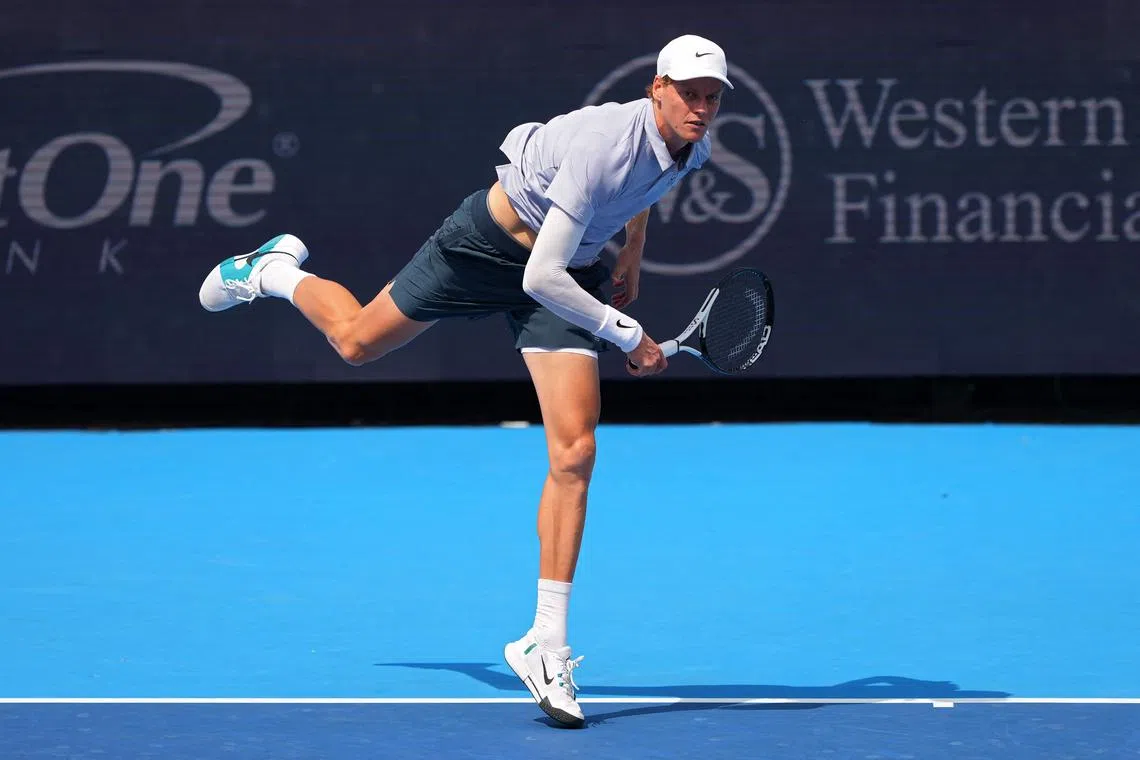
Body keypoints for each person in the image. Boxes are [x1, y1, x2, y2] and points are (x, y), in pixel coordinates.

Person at [197, 33, 731, 728]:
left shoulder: (695, 146)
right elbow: (539, 271)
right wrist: (628, 333)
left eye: (712, 97)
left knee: (575, 451)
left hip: (566, 272)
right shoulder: (604, 139)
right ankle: (272, 271)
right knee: (357, 342)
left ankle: (545, 640)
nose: (700, 107)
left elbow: (642, 189)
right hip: (486, 248)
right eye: (688, 93)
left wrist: (632, 249)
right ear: (656, 87)